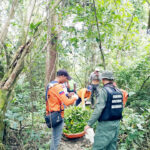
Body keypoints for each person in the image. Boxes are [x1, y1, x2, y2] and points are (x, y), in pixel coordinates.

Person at [84, 71, 123, 150]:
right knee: (111, 147)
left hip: (105, 125)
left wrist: (89, 124)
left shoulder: (104, 91)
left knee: (98, 147)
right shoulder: (119, 91)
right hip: (116, 124)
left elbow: (98, 109)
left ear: (103, 79)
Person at [45, 69, 78, 150]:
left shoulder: (50, 85)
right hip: (57, 116)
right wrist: (74, 98)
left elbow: (54, 97)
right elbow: (67, 102)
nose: (66, 81)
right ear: (62, 76)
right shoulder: (58, 87)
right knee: (56, 139)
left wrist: (67, 94)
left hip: (51, 114)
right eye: (66, 79)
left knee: (54, 137)